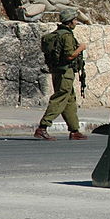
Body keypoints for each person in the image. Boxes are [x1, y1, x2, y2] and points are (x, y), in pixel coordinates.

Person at [34, 9, 87, 141]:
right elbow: (70, 55)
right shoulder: (66, 36)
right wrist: (81, 48)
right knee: (60, 98)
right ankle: (43, 127)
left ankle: (74, 130)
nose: (76, 22)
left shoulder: (57, 34)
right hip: (65, 72)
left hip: (59, 71)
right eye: (74, 20)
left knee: (69, 100)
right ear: (69, 22)